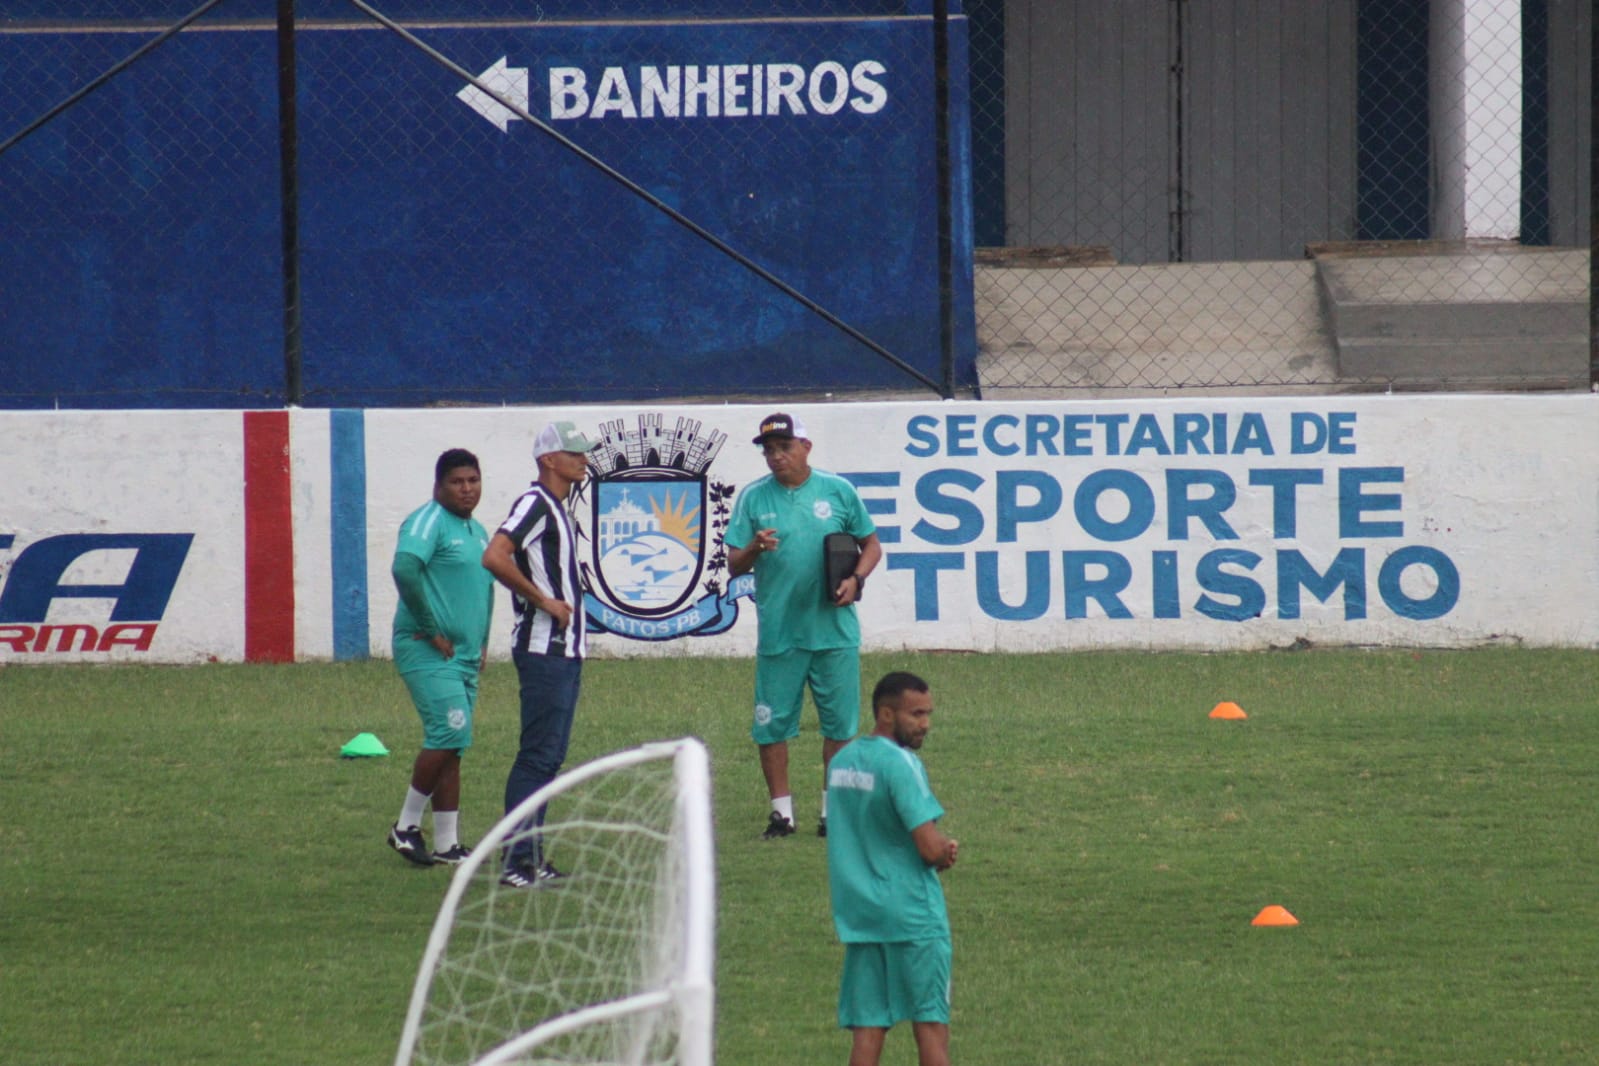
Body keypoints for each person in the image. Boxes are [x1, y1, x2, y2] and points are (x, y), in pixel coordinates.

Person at [726, 412, 882, 839]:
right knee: (771, 725)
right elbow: (733, 562)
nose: (776, 458)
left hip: (835, 632)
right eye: (769, 451)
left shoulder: (838, 491)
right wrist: (755, 548)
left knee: (840, 726)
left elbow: (871, 544)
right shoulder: (754, 498)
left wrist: (856, 579)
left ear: (806, 447)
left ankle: (834, 813)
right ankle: (782, 814)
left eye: (784, 448)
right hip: (781, 633)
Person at [481, 420, 597, 887]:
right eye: (574, 453)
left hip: (563, 649)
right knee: (537, 756)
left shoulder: (557, 507)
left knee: (549, 757)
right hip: (544, 648)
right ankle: (516, 862)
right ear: (549, 459)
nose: (583, 460)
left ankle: (531, 856)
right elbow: (494, 556)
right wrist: (542, 599)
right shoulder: (535, 504)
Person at [825, 671, 957, 1066]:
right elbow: (928, 846)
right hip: (912, 913)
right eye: (916, 714)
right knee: (930, 1025)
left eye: (928, 713)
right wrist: (945, 852)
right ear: (886, 713)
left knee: (867, 1030)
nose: (925, 724)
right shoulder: (902, 764)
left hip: (863, 916)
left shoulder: (842, 762)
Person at [387, 448, 495, 867]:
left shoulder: (479, 531)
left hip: (464, 657)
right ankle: (405, 826)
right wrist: (431, 628)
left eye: (473, 480)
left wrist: (483, 640)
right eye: (457, 482)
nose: (467, 489)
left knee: (455, 745)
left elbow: (484, 588)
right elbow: (404, 569)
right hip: (427, 650)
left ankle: (448, 845)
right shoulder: (428, 520)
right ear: (438, 486)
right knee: (447, 735)